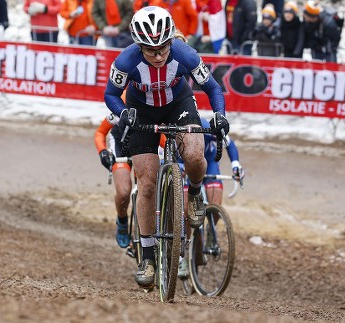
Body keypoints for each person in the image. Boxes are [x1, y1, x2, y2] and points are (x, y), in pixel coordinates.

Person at [103, 6, 228, 289]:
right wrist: (124, 113)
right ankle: (147, 256)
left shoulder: (187, 55)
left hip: (179, 104)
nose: (158, 56)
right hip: (142, 111)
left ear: (171, 39)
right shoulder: (125, 61)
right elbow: (110, 94)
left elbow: (213, 88)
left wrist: (219, 114)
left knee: (195, 154)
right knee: (147, 182)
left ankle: (195, 192)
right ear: (139, 46)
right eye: (150, 51)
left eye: (163, 48)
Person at [178, 117, 244, 278]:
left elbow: (230, 144)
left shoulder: (210, 130)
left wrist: (236, 164)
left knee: (215, 206)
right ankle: (183, 254)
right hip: (185, 161)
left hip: (209, 162)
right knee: (186, 212)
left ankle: (210, 231)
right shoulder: (183, 133)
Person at [94, 113, 133, 248]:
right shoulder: (121, 108)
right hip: (120, 147)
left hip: (146, 144)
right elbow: (100, 132)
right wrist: (102, 151)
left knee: (149, 186)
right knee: (123, 192)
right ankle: (122, 220)